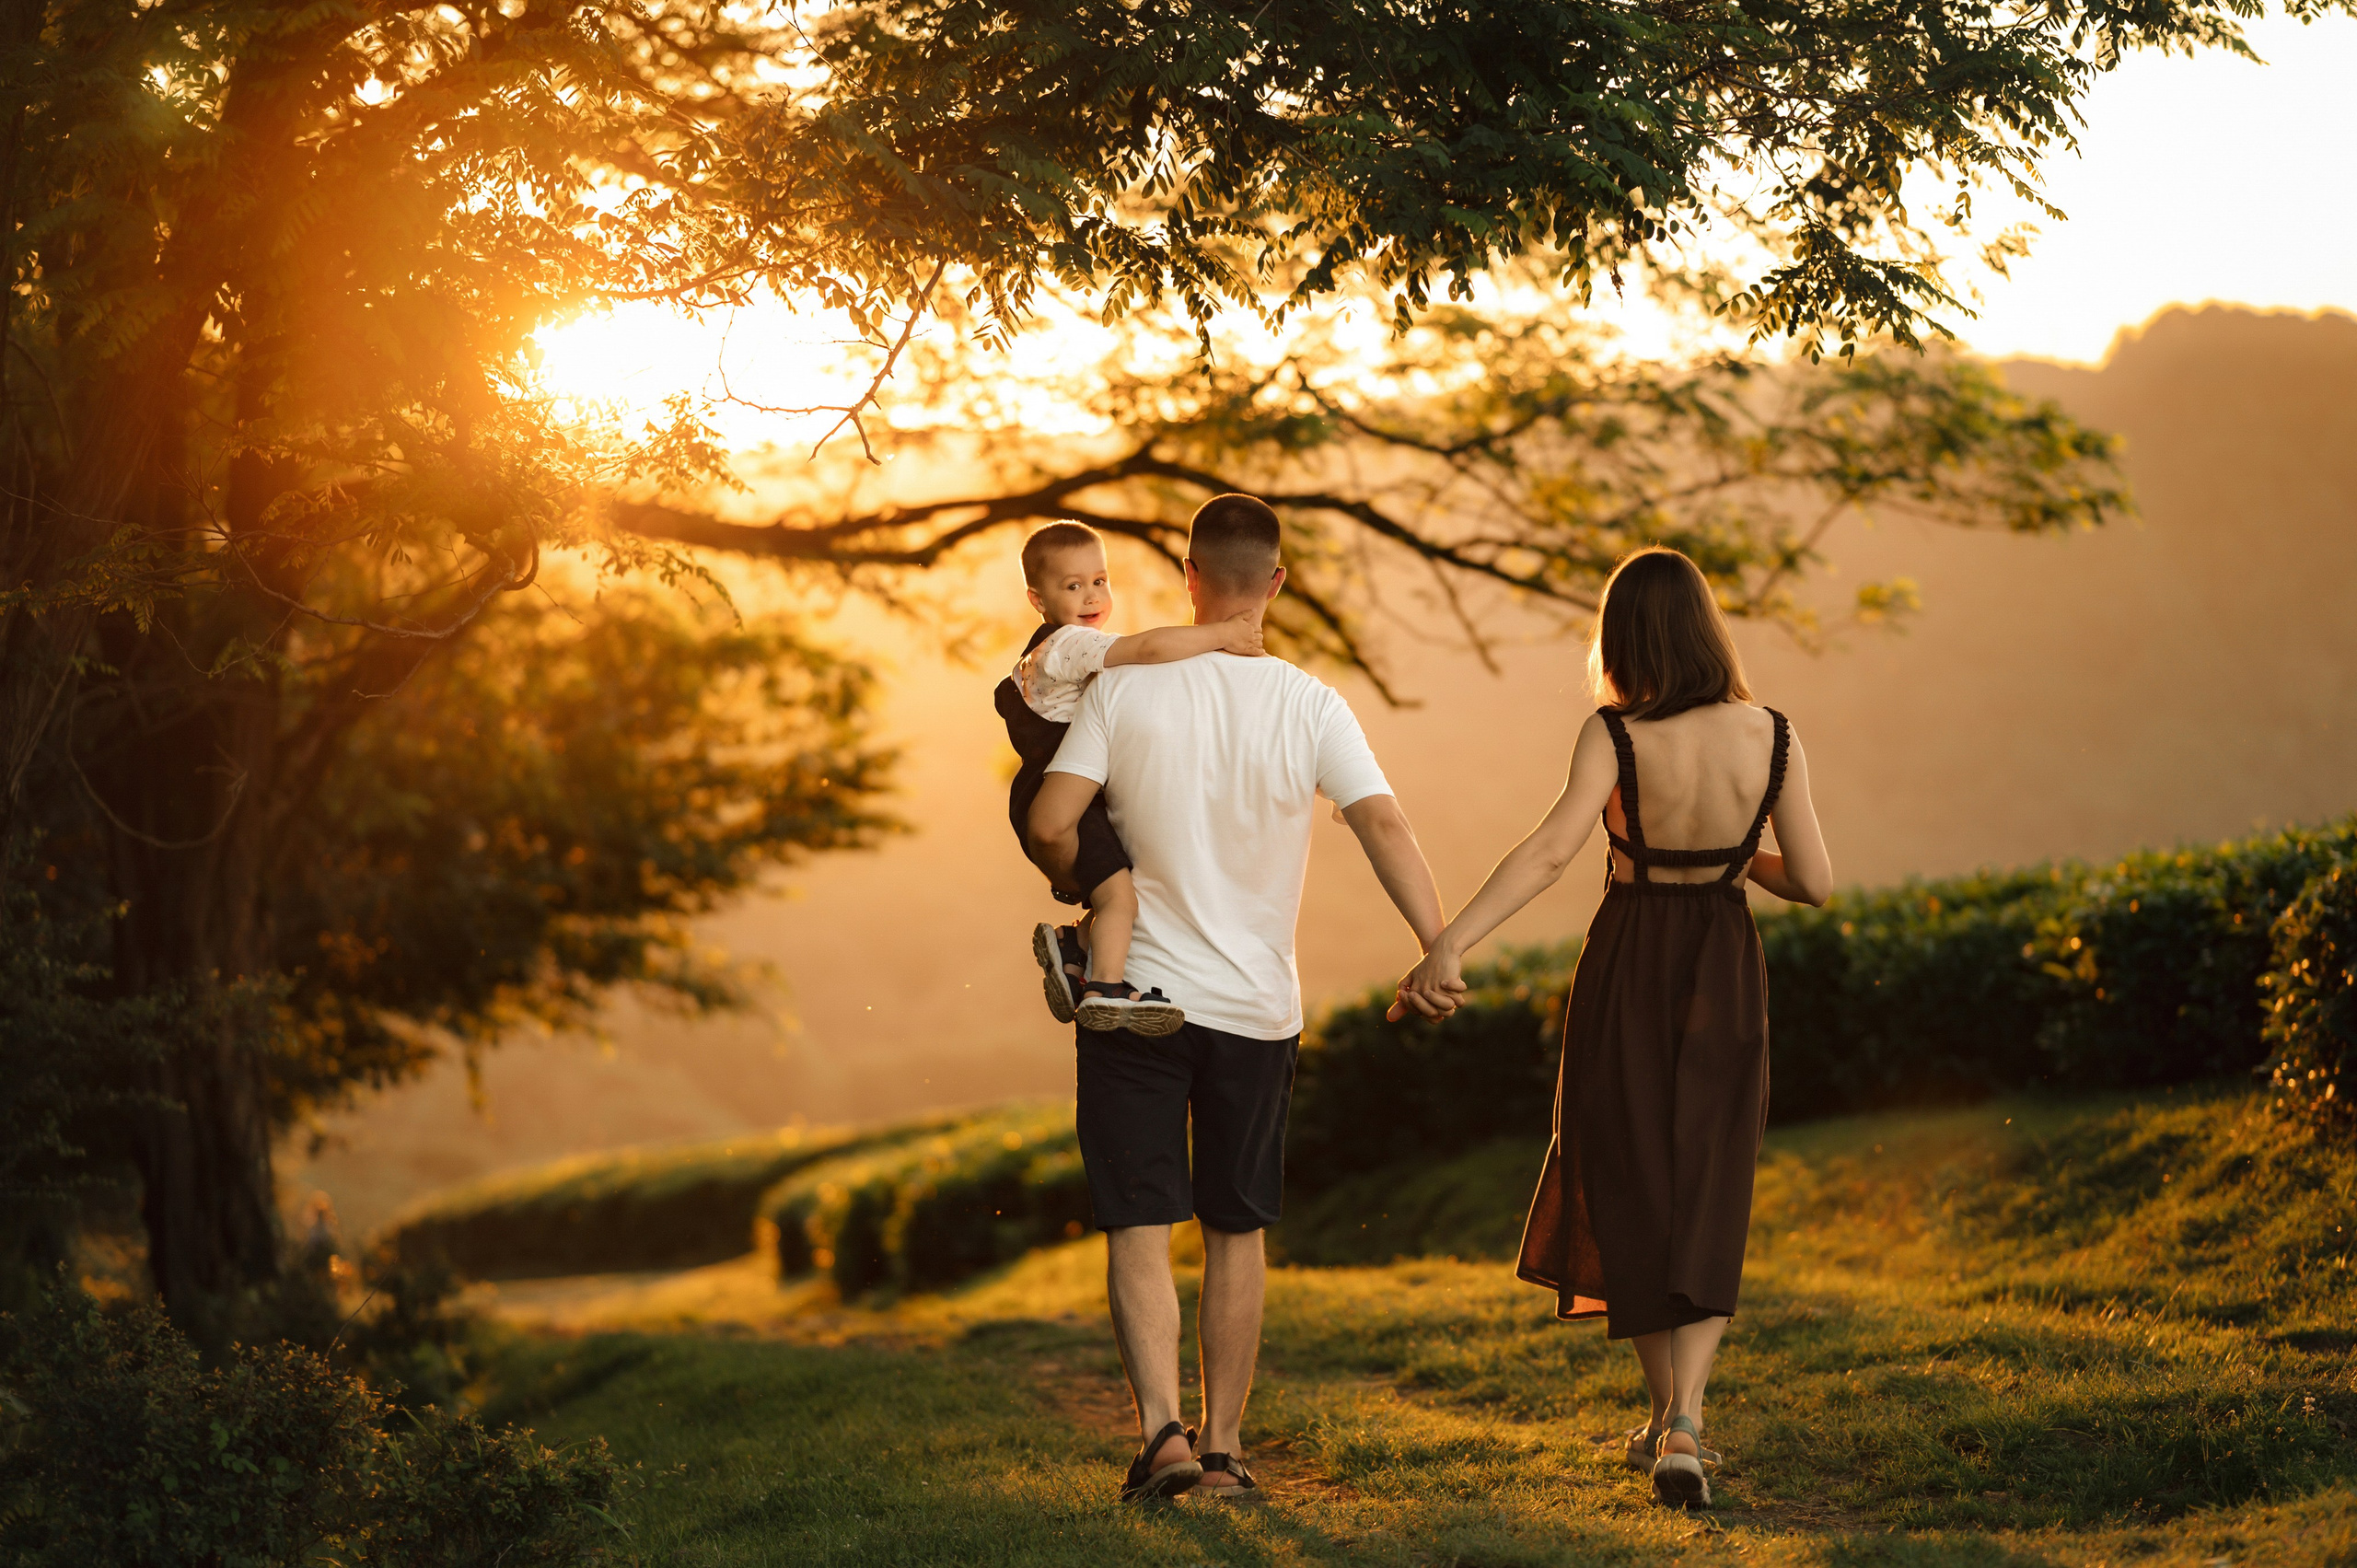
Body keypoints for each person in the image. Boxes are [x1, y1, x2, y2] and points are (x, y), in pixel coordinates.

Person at [1390, 546, 1832, 1510]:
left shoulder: (1615, 732)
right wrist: (1735, 858)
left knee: (1624, 1168)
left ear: (1623, 636)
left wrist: (1448, 944)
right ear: (1707, 625)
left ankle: (1667, 1409)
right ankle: (1686, 1420)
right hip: (1723, 956)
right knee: (1708, 1178)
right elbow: (1815, 879)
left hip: (1631, 957)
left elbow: (1551, 848)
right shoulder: (1773, 732)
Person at [1029, 494, 1445, 1503]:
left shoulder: (1124, 687)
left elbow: (1051, 821)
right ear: (1278, 582)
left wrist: (1082, 882)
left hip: (1132, 997)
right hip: (1258, 1007)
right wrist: (1438, 947)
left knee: (1138, 1221)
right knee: (1235, 1226)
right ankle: (1224, 1447)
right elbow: (1384, 824)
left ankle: (1161, 1441)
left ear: (1188, 577)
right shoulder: (1312, 703)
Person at [995, 520, 1264, 1034]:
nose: (1091, 595)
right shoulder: (1068, 645)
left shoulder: (1052, 651)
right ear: (1038, 599)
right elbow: (1145, 651)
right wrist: (1223, 635)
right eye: (1072, 586)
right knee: (1121, 896)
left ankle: (1075, 948)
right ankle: (1108, 988)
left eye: (1100, 581)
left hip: (1062, 792)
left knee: (1124, 883)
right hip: (1064, 797)